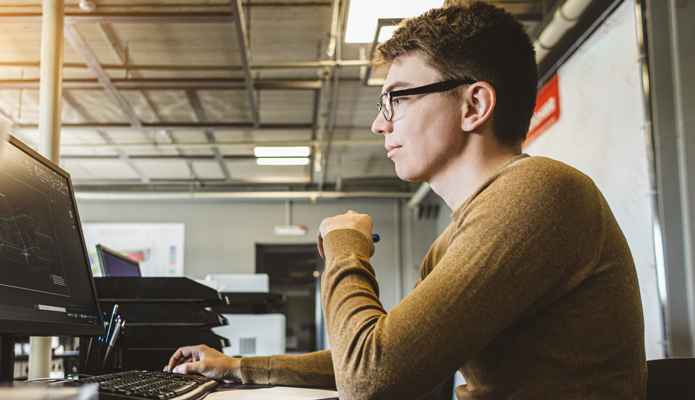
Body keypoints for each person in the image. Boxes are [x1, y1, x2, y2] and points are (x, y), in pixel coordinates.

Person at [165, 1, 648, 398]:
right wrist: (239, 367)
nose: (380, 124)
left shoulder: (539, 193)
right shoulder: (471, 225)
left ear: (473, 105)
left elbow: (372, 380)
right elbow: (380, 352)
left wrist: (344, 249)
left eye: (397, 98)